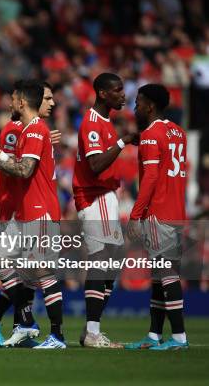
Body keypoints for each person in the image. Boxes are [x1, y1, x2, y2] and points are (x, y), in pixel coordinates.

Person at [0, 80, 65, 349]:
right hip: (24, 212)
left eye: (13, 98)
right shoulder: (31, 130)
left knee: (42, 272)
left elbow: (26, 170)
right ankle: (26, 322)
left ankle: (57, 336)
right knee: (4, 264)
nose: (10, 103)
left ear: (21, 102)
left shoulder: (36, 130)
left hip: (40, 209)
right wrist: (3, 155)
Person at [73, 73, 136, 348]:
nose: (123, 95)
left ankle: (91, 328)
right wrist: (123, 142)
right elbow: (96, 164)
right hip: (93, 196)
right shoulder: (92, 123)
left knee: (111, 261)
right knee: (99, 261)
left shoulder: (105, 122)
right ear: (102, 93)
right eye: (117, 90)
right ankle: (93, 333)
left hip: (106, 196)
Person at [126, 84, 189, 350]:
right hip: (177, 212)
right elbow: (164, 154)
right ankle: (154, 335)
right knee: (159, 275)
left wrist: (135, 214)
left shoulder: (152, 135)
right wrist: (139, 140)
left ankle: (178, 338)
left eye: (138, 102)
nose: (134, 107)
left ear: (150, 105)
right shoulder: (178, 132)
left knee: (166, 274)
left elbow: (151, 177)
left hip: (159, 212)